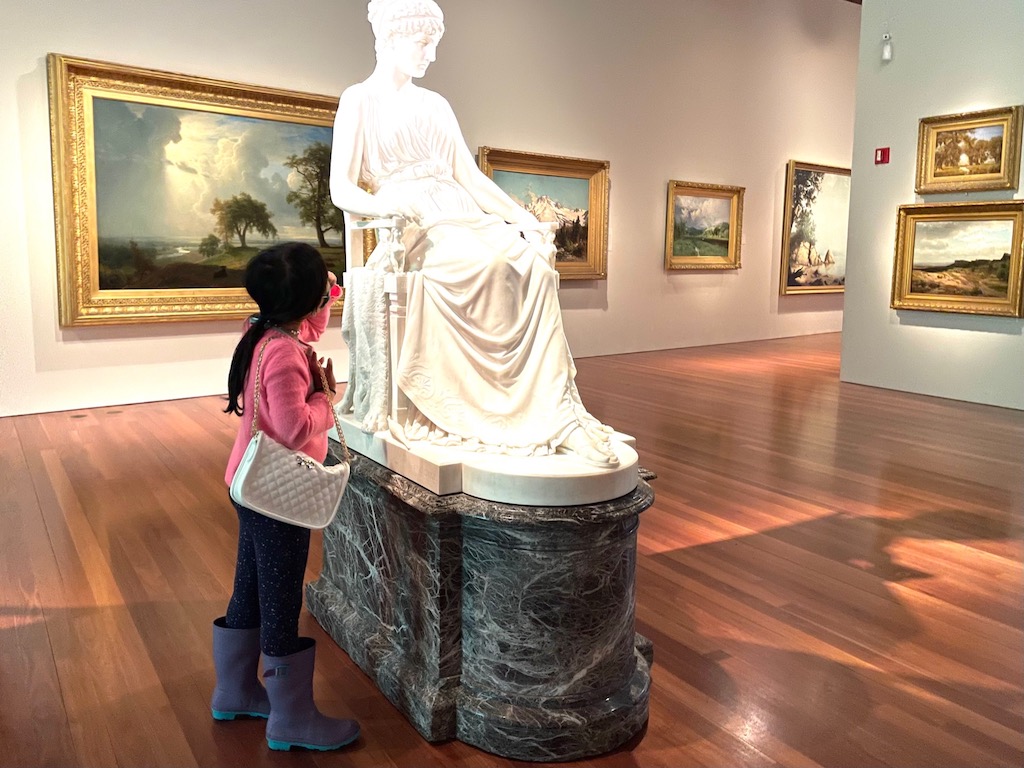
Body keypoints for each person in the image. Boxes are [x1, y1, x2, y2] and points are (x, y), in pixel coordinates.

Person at [329, 0, 619, 468]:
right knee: (490, 264)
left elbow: (471, 177)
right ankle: (484, 410)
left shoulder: (436, 105)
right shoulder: (358, 100)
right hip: (412, 223)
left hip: (458, 211)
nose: (431, 55)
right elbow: (340, 187)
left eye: (434, 43)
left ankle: (554, 414)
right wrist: (385, 204)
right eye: (424, 43)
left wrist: (521, 217)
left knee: (534, 267)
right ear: (394, 38)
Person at [211, 242, 358, 753]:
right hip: (277, 497)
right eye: (324, 290)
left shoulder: (267, 332)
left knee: (250, 584)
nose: (327, 302)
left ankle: (235, 690)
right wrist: (325, 398)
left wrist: (330, 291)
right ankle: (291, 718)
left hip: (249, 484)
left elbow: (312, 323)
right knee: (280, 600)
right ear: (304, 298)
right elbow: (295, 429)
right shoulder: (285, 356)